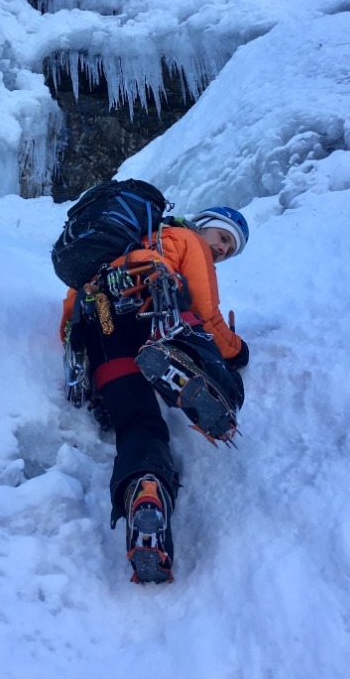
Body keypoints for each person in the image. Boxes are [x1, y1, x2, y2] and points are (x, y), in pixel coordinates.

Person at [60, 205, 250, 583]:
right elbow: (207, 312)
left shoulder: (114, 250)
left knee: (137, 423)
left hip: (102, 330)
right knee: (208, 351)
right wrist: (239, 351)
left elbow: (72, 305)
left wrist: (78, 342)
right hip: (154, 310)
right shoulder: (187, 238)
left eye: (230, 250)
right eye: (223, 237)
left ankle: (146, 490)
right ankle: (196, 377)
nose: (222, 249)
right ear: (204, 225)